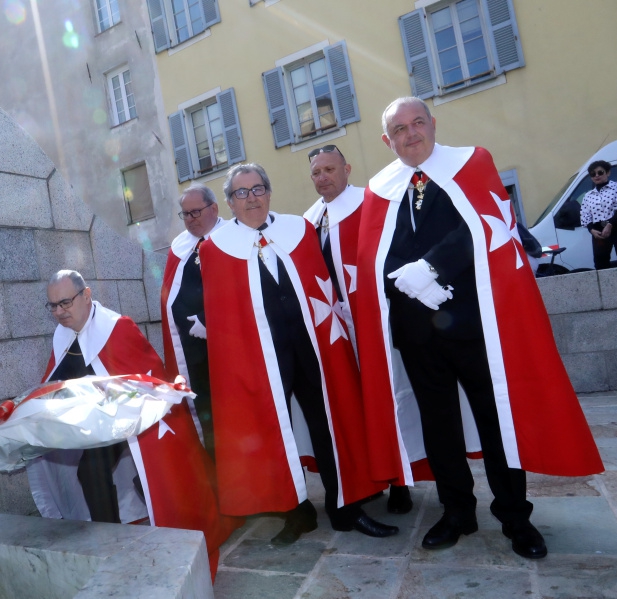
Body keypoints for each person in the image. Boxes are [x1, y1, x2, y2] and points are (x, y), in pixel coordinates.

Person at [352, 97, 603, 560]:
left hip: (474, 321)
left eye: (417, 123)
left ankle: (515, 517)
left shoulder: (471, 162)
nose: (411, 134)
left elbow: (485, 225)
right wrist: (406, 282)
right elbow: (373, 252)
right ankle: (457, 512)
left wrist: (431, 269)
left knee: (495, 420)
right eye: (399, 129)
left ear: (433, 124)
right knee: (439, 425)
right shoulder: (379, 188)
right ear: (388, 140)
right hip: (416, 329)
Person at [200, 163, 397, 546]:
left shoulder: (299, 230)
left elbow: (321, 286)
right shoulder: (215, 249)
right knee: (272, 431)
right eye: (241, 192)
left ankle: (346, 508)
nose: (252, 198)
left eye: (258, 188)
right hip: (259, 357)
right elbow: (222, 317)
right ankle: (296, 513)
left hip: (313, 346)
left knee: (330, 422)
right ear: (229, 202)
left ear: (269, 192)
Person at [26, 270, 240, 577]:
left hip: (139, 420)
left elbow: (148, 378)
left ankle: (149, 524)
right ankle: (111, 544)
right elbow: (56, 380)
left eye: (65, 303)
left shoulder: (116, 328)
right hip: (101, 424)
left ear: (86, 295)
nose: (59, 312)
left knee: (153, 474)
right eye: (53, 306)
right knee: (90, 470)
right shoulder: (63, 335)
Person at [302, 144, 413, 515]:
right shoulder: (310, 220)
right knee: (353, 404)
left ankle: (400, 480)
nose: (323, 178)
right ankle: (370, 477)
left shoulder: (369, 203)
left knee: (387, 398)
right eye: (316, 172)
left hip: (373, 321)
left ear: (346, 169)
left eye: (330, 169)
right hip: (336, 329)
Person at [160, 184, 226, 458]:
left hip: (227, 350)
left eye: (195, 212)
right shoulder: (180, 247)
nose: (190, 219)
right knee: (205, 416)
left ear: (214, 208)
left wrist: (209, 321)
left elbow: (241, 292)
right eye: (185, 214)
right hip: (192, 355)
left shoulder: (232, 239)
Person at [579, 160, 617, 269]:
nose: (596, 176)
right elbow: (585, 214)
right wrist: (591, 229)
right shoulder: (588, 195)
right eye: (593, 174)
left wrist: (610, 225)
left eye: (600, 172)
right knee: (600, 262)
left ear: (608, 172)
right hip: (599, 229)